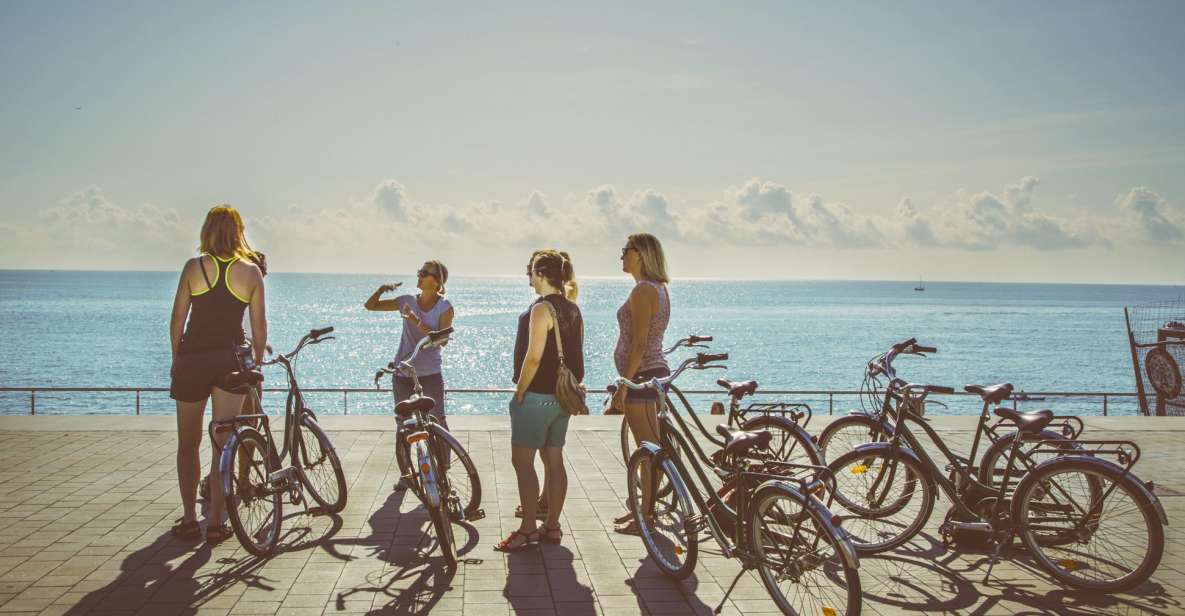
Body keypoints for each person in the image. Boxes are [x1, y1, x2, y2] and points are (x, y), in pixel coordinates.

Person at [169, 205, 267, 542]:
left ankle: (187, 518)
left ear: (207, 231)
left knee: (188, 443)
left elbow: (177, 320)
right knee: (222, 445)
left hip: (193, 360)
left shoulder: (194, 268)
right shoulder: (251, 273)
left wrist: (175, 358)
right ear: (238, 231)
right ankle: (214, 523)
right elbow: (259, 330)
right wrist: (255, 364)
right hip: (229, 363)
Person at [496, 250, 583, 551]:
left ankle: (528, 529)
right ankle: (553, 526)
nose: (529, 276)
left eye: (532, 271)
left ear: (542, 274)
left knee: (522, 462)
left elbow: (533, 358)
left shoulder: (542, 309)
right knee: (554, 461)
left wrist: (520, 392)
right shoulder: (572, 308)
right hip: (561, 399)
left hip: (537, 397)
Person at [611, 233, 671, 534]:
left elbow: (639, 344)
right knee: (651, 450)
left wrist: (624, 384)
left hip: (643, 377)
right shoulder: (655, 288)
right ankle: (643, 510)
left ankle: (645, 516)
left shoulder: (644, 292)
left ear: (641, 254)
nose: (621, 255)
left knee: (648, 452)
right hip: (652, 374)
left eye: (626, 250)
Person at [364, 260, 454, 427]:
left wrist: (416, 321)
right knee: (404, 425)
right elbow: (370, 306)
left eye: (425, 273)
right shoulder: (407, 301)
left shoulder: (444, 307)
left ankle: (439, 454)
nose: (419, 275)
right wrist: (381, 289)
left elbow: (443, 341)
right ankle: (405, 453)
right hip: (403, 373)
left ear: (437, 281)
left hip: (430, 375)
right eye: (419, 271)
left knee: (438, 422)